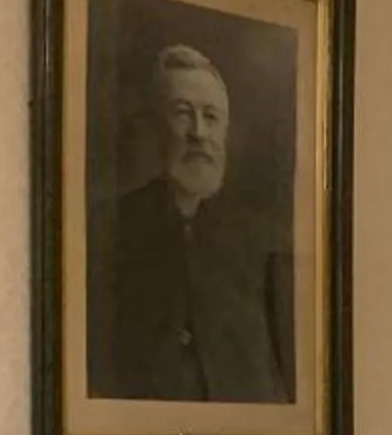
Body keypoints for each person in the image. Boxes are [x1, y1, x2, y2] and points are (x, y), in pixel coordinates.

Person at [88, 43, 293, 404]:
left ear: (225, 132)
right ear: (156, 127)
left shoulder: (262, 240)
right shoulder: (106, 228)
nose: (199, 133)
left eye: (211, 117)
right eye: (183, 114)